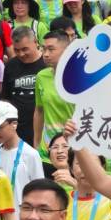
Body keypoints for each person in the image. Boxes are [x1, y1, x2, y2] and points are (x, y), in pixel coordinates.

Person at [33, 31, 74, 164]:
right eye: (43, 49)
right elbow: (39, 110)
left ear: (66, 51)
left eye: (51, 49)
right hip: (47, 151)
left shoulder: (80, 79)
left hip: (73, 150)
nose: (45, 54)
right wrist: (36, 144)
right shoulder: (41, 76)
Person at [1, 26, 45, 147]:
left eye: (25, 49)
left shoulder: (46, 64)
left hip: (43, 128)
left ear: (35, 42)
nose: (21, 54)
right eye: (16, 50)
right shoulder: (11, 65)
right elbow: (5, 98)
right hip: (18, 130)